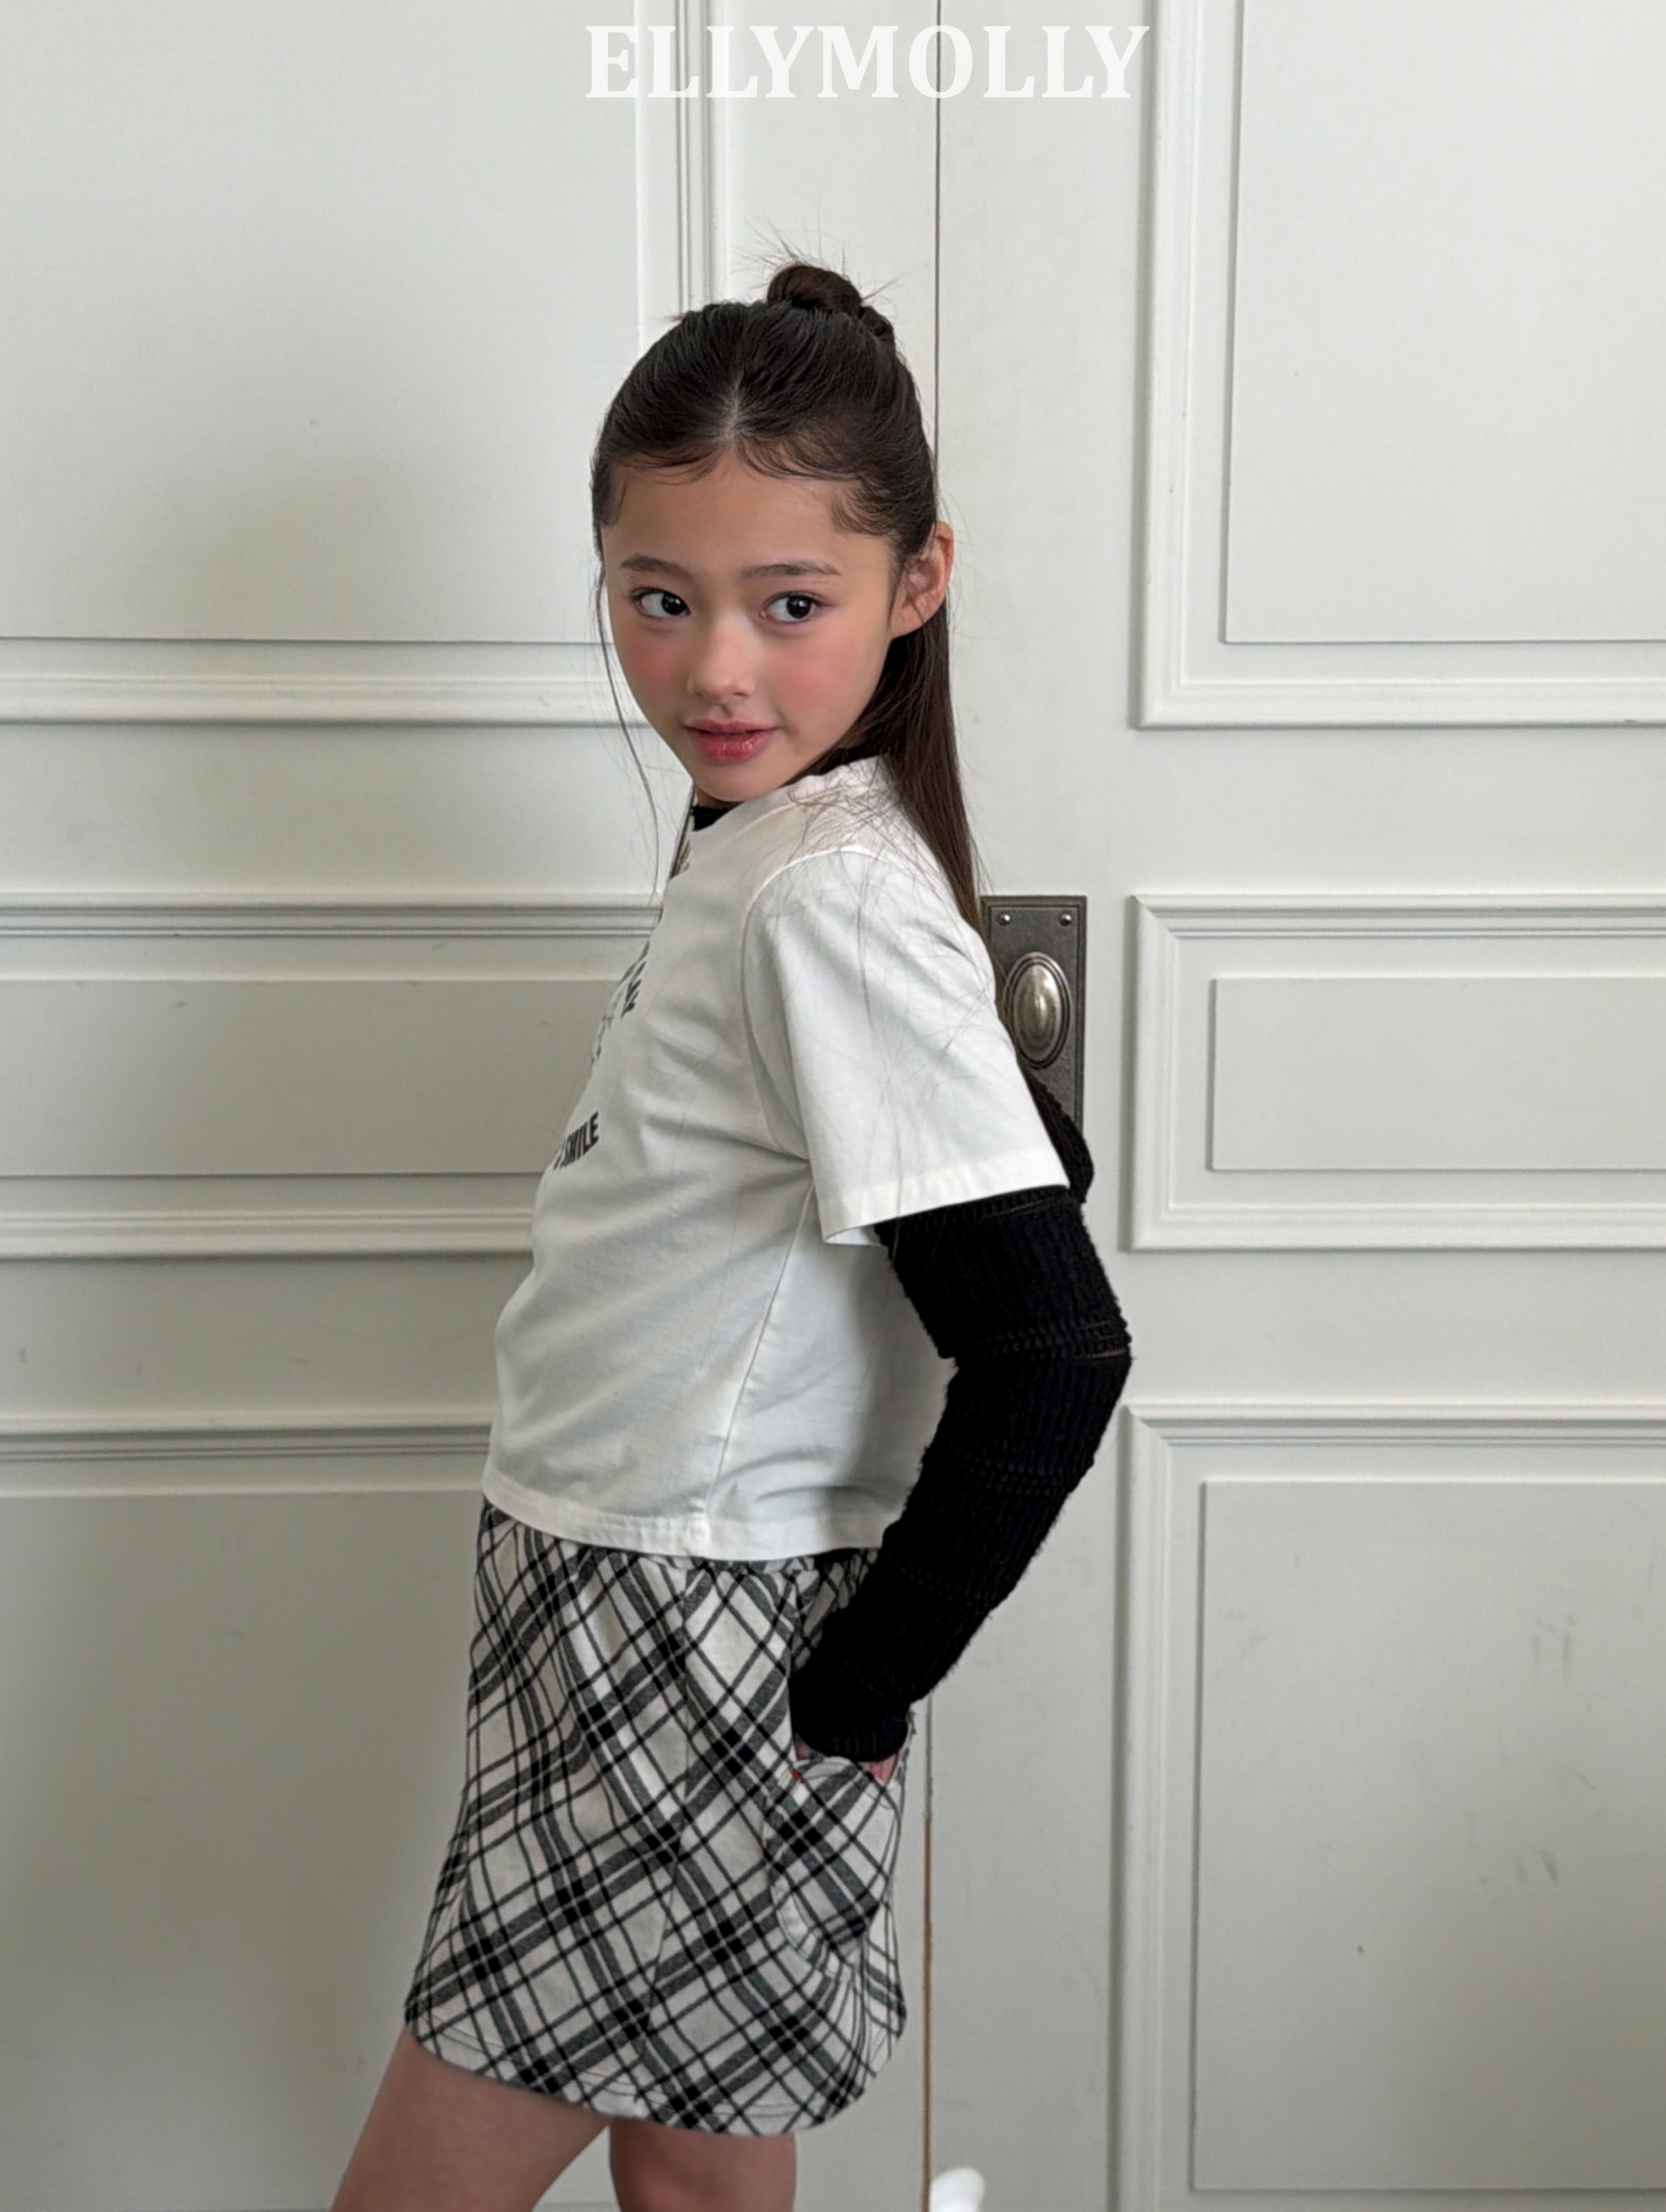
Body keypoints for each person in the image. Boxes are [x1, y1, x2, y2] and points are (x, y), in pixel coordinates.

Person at [331, 261, 1132, 2212]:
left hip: (691, 1625)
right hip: (624, 1577)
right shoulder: (774, 847)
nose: (713, 672)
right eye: (656, 597)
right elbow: (1000, 1167)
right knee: (696, 2164)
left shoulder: (820, 893)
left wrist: (860, 1686)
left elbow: (1053, 1347)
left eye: (790, 605)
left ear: (915, 581)